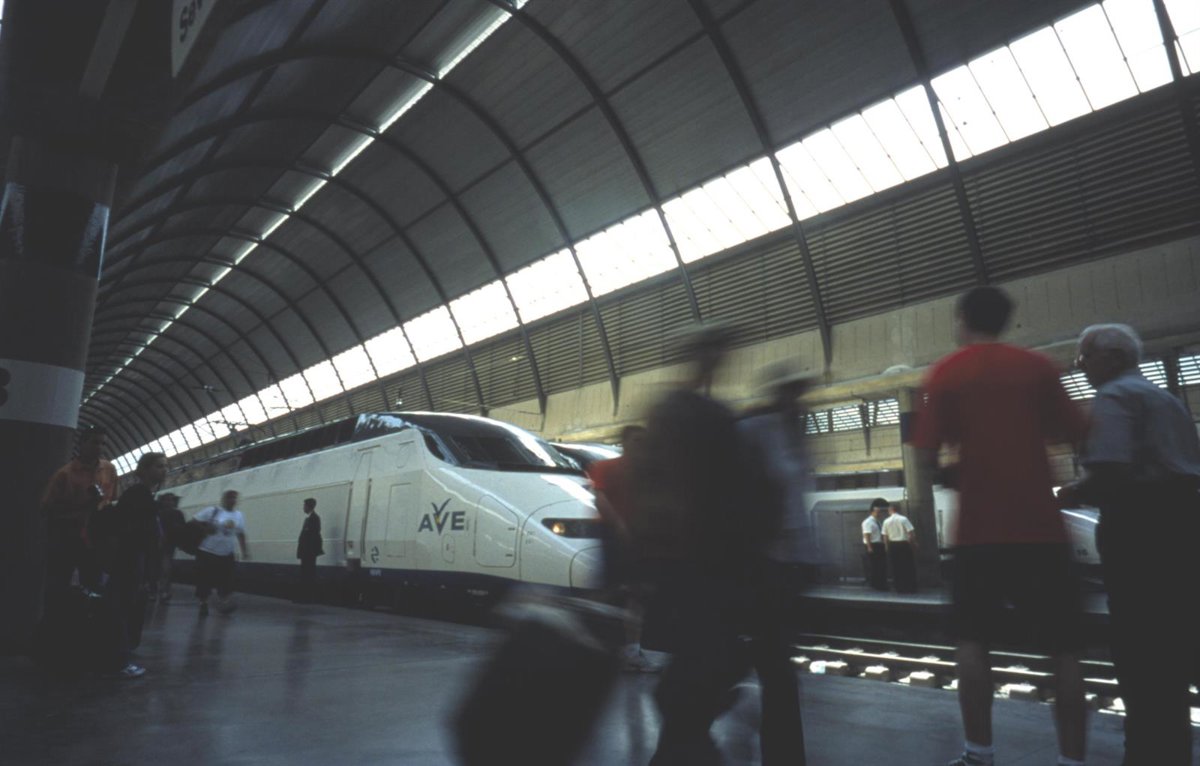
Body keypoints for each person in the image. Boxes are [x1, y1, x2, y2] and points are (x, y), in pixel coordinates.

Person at [914, 286, 1088, 766]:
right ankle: (1073, 760)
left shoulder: (946, 372)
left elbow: (926, 453)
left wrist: (952, 472)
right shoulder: (1038, 367)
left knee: (972, 643)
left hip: (977, 534)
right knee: (1065, 651)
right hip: (1042, 531)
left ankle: (979, 754)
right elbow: (1078, 432)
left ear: (963, 319)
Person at [1058, 324, 1200, 765]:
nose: (1080, 367)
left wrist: (1069, 493)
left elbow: (1110, 471)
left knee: (1142, 654)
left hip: (1140, 531)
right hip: (1184, 526)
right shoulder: (1166, 399)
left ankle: (1149, 754)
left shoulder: (1115, 396)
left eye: (1084, 357)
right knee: (1179, 644)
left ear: (1113, 357)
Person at [633, 322, 761, 766]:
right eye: (715, 352)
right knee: (707, 657)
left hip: (688, 557)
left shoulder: (671, 410)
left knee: (698, 658)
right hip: (703, 558)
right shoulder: (705, 415)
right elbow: (737, 491)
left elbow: (650, 482)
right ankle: (686, 742)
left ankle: (682, 741)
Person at [736, 363, 822, 765]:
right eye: (792, 393)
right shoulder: (756, 430)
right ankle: (783, 755)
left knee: (777, 666)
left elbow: (798, 502)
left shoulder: (797, 435)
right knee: (776, 667)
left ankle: (782, 751)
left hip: (791, 566)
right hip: (765, 563)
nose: (798, 401)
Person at [587, 425, 658, 672]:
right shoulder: (606, 467)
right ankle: (595, 644)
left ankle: (631, 651)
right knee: (611, 589)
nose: (642, 445)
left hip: (637, 535)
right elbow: (600, 499)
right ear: (625, 442)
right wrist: (618, 525)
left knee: (637, 593)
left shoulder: (648, 472)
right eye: (637, 440)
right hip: (611, 533)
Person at [94, 452, 167, 679]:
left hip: (130, 558)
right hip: (130, 559)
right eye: (158, 466)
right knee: (121, 609)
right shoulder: (139, 495)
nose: (164, 470)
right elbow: (137, 532)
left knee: (121, 607)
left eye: (165, 466)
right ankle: (118, 661)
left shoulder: (140, 494)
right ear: (144, 469)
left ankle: (114, 657)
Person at [41, 425, 118, 594]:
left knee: (92, 582)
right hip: (68, 536)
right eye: (95, 443)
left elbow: (111, 499)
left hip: (96, 536)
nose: (99, 447)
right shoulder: (65, 474)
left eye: (103, 444)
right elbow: (47, 507)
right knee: (59, 581)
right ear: (82, 444)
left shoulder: (109, 470)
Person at [194, 490, 249, 617]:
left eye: (234, 498)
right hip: (208, 551)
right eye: (229, 498)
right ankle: (203, 602)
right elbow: (194, 522)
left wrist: (245, 551)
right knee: (205, 579)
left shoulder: (239, 515)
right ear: (223, 499)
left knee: (227, 580)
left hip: (227, 553)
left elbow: (240, 533)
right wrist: (205, 528)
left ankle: (224, 602)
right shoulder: (212, 511)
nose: (232, 500)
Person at [154, 493, 184, 602]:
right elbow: (182, 528)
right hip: (168, 543)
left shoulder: (158, 513)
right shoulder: (177, 513)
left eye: (171, 500)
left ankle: (161, 588)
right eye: (168, 500)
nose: (170, 502)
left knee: (163, 566)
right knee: (166, 566)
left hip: (163, 543)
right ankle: (164, 589)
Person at [882, 503, 918, 593]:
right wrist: (913, 543)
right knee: (907, 566)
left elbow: (885, 536)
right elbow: (911, 533)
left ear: (890, 510)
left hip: (893, 545)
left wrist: (886, 547)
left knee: (896, 566)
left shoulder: (886, 521)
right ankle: (909, 587)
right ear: (898, 509)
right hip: (904, 544)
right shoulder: (903, 519)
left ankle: (899, 587)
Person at [295, 498, 323, 604]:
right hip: (306, 552)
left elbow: (313, 536)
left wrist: (307, 550)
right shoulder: (310, 518)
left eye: (304, 505)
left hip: (309, 552)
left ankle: (307, 597)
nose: (303, 508)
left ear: (308, 506)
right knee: (306, 574)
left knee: (308, 574)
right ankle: (305, 597)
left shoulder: (314, 519)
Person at [861, 500, 888, 591]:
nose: (879, 513)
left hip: (879, 544)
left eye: (879, 512)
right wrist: (869, 547)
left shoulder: (878, 522)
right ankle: (877, 584)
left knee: (881, 565)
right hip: (873, 544)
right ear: (872, 512)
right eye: (877, 511)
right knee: (876, 565)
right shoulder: (868, 522)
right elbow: (867, 534)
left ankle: (880, 583)